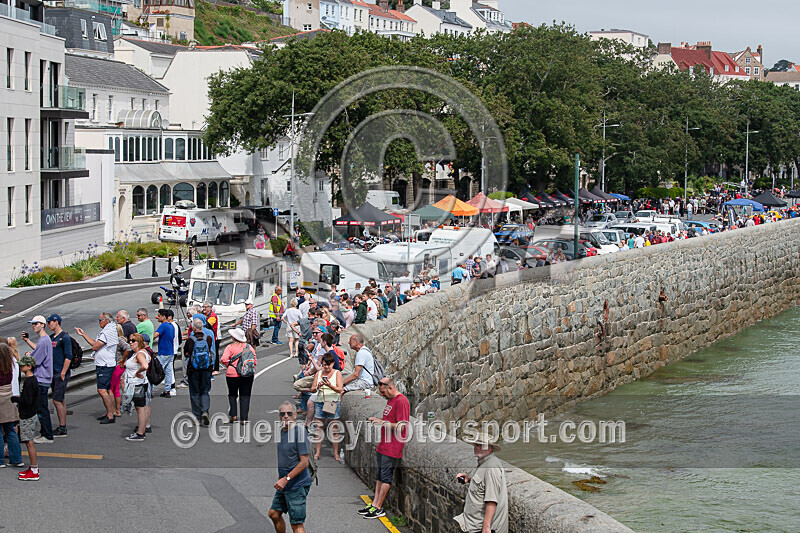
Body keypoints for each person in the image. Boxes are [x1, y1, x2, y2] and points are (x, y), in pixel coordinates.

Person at [360, 377, 410, 520]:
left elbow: (402, 426)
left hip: (393, 446)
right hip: (384, 445)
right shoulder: (390, 400)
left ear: (390, 388)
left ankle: (379, 507)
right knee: (380, 476)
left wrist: (381, 422)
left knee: (386, 477)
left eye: (383, 392)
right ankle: (374, 504)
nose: (382, 395)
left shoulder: (401, 401)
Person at [269, 402, 312, 533]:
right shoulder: (283, 431)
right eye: (283, 414)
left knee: (297, 525)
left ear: (294, 415)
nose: (286, 416)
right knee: (274, 514)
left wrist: (286, 479)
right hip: (285, 483)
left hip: (296, 485)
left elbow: (304, 462)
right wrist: (281, 478)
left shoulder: (299, 432)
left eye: (289, 414)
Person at [454, 431, 509, 533]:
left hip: (484, 529)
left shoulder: (491, 466)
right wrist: (469, 479)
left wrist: (486, 527)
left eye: (482, 445)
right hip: (474, 526)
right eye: (476, 445)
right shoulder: (485, 462)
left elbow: (492, 500)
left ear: (490, 448)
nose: (478, 447)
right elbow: (484, 484)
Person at [76, 312, 118, 423]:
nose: (99, 322)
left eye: (100, 320)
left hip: (104, 365)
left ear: (106, 321)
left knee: (102, 390)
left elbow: (95, 346)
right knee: (108, 389)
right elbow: (95, 343)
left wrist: (93, 345)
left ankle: (110, 415)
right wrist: (83, 334)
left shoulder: (106, 332)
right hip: (107, 363)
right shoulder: (111, 330)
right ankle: (111, 412)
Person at [21, 315, 54, 443]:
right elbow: (38, 352)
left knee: (41, 407)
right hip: (44, 378)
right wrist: (28, 342)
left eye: (36, 324)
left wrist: (28, 356)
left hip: (41, 378)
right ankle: (44, 433)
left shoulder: (44, 340)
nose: (33, 326)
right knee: (41, 406)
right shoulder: (44, 340)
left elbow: (36, 360)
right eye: (33, 324)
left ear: (42, 325)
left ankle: (47, 434)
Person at [310, 352, 343, 462]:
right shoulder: (319, 373)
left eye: (328, 365)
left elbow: (340, 389)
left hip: (332, 402)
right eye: (324, 365)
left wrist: (330, 385)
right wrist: (318, 386)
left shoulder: (337, 373)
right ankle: (317, 452)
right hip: (320, 402)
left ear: (333, 364)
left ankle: (335, 453)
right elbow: (312, 389)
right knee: (319, 428)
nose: (326, 367)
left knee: (334, 429)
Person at [220, 328, 257, 424]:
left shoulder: (230, 347)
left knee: (232, 394)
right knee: (245, 395)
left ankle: (233, 415)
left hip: (232, 374)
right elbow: (254, 360)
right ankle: (244, 418)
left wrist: (230, 365)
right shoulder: (249, 347)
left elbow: (223, 359)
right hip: (247, 374)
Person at [13, 355, 41, 480]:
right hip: (30, 414)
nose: (20, 367)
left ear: (29, 367)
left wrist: (16, 399)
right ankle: (32, 467)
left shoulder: (29, 382)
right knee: (28, 441)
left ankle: (34, 469)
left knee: (29, 442)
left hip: (27, 415)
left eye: (22, 365)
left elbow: (27, 401)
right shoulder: (32, 380)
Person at [184, 319, 214, 425]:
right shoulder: (208, 339)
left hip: (194, 370)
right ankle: (205, 410)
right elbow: (211, 352)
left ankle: (197, 416)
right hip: (206, 369)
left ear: (193, 328)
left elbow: (186, 353)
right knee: (205, 391)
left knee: (195, 392)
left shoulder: (190, 340)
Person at [46, 314, 72, 438]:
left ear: (57, 322)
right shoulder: (52, 337)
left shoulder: (64, 337)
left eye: (50, 322)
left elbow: (68, 356)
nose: (48, 325)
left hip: (60, 373)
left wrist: (63, 372)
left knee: (57, 400)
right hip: (54, 372)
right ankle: (63, 425)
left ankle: (62, 427)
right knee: (60, 399)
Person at [122, 333, 150, 441]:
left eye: (133, 341)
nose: (130, 343)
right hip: (139, 383)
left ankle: (140, 432)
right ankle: (141, 430)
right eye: (130, 340)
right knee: (141, 408)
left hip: (137, 384)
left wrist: (137, 372)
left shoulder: (139, 354)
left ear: (139, 342)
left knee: (140, 408)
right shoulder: (141, 352)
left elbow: (145, 366)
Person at [0, 343, 24, 468]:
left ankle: (0, 461)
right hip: (9, 396)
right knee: (10, 430)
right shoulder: (10, 365)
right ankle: (16, 459)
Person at [151, 309, 177, 398]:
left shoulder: (163, 326)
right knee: (168, 372)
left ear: (163, 317)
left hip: (164, 352)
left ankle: (150, 389)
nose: (157, 317)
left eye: (159, 316)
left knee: (157, 371)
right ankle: (167, 390)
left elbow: (155, 335)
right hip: (170, 352)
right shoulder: (171, 326)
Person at [202, 302, 221, 375]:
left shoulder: (213, 316)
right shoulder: (204, 315)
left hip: (215, 337)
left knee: (215, 352)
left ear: (210, 308)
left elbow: (207, 325)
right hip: (208, 337)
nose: (204, 308)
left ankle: (216, 368)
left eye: (206, 307)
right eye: (203, 307)